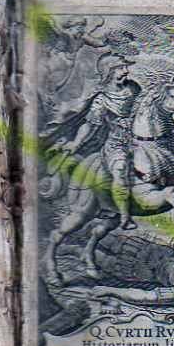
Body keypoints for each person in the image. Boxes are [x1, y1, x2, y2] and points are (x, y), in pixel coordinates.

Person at [50, 53, 142, 230]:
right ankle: (125, 217)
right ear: (109, 72)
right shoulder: (102, 99)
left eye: (125, 67)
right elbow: (90, 125)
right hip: (117, 143)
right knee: (120, 169)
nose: (126, 71)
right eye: (121, 68)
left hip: (141, 138)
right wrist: (76, 143)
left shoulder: (133, 88)